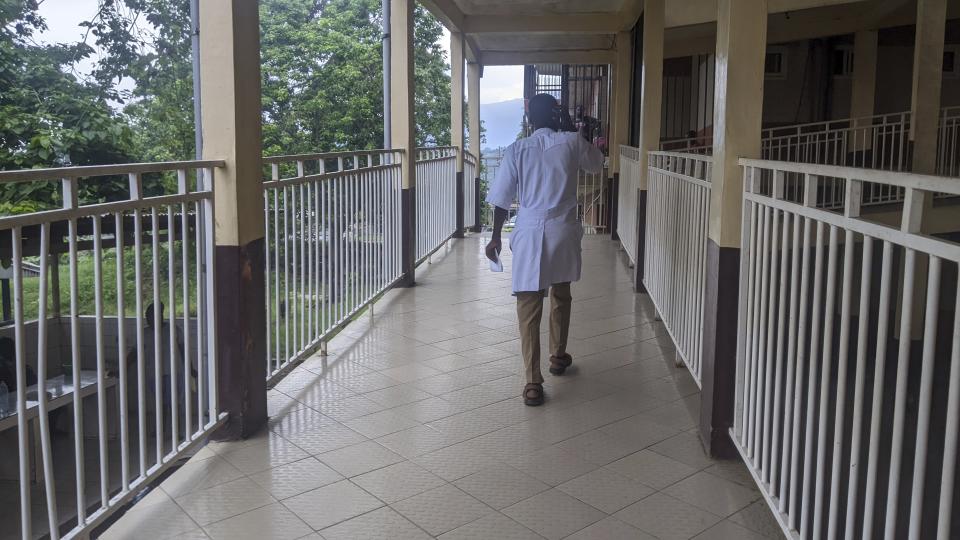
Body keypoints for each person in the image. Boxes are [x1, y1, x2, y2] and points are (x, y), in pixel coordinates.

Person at [485, 93, 605, 406]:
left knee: (528, 304)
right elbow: (597, 163)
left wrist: (496, 236)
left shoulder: (516, 149)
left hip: (528, 229)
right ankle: (557, 355)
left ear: (529, 120)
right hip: (562, 230)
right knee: (561, 293)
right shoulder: (571, 142)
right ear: (556, 116)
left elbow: (501, 198)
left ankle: (532, 382)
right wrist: (573, 129)